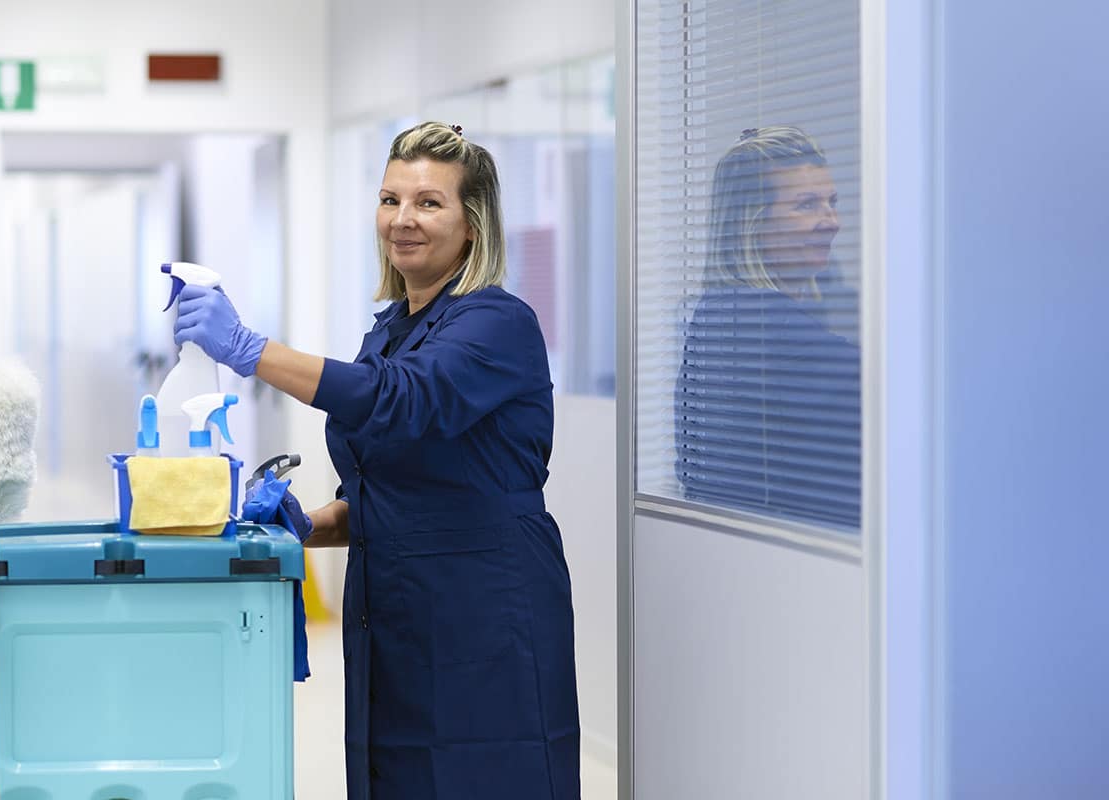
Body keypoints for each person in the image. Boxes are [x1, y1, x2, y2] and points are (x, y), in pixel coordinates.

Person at [173, 121, 581, 799]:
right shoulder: (390, 332)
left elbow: (403, 401)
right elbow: (384, 487)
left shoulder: (498, 322)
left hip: (483, 612)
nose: (402, 220)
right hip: (393, 612)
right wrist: (306, 525)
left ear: (473, 223)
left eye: (428, 202)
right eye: (390, 200)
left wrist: (250, 349)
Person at [674, 126, 861, 530]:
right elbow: (896, 400)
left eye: (832, 202)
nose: (832, 221)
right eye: (807, 205)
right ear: (751, 222)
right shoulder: (760, 325)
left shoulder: (720, 312)